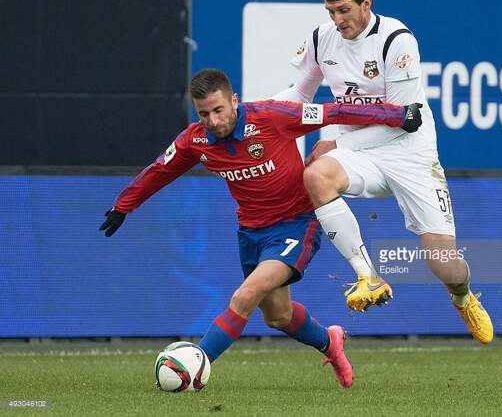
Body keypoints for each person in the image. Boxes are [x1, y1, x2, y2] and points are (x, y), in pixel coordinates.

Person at [99, 68, 424, 387]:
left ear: (234, 101)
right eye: (204, 114)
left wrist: (397, 115)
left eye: (218, 110)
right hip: (251, 233)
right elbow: (161, 170)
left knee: (245, 296)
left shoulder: (272, 116)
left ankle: (195, 365)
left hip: (295, 225)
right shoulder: (195, 140)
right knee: (278, 317)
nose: (213, 121)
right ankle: (330, 341)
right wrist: (123, 206)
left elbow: (333, 111)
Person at [273, 0, 493, 343]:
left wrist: (335, 144)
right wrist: (257, 115)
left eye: (343, 10)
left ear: (366, 3)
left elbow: (401, 120)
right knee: (317, 175)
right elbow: (299, 95)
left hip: (410, 153)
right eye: (330, 12)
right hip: (361, 154)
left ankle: (463, 297)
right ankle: (367, 275)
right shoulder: (322, 39)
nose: (337, 20)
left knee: (444, 264)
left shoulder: (397, 40)